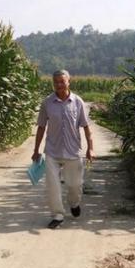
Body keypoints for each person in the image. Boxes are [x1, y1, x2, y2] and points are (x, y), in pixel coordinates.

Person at [32, 70, 95, 229]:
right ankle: (58, 215)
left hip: (73, 151)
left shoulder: (78, 102)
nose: (59, 85)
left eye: (62, 81)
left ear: (69, 82)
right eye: (56, 82)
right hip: (52, 151)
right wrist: (36, 150)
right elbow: (41, 127)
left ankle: (74, 203)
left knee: (74, 185)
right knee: (52, 185)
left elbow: (86, 127)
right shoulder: (47, 103)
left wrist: (90, 148)